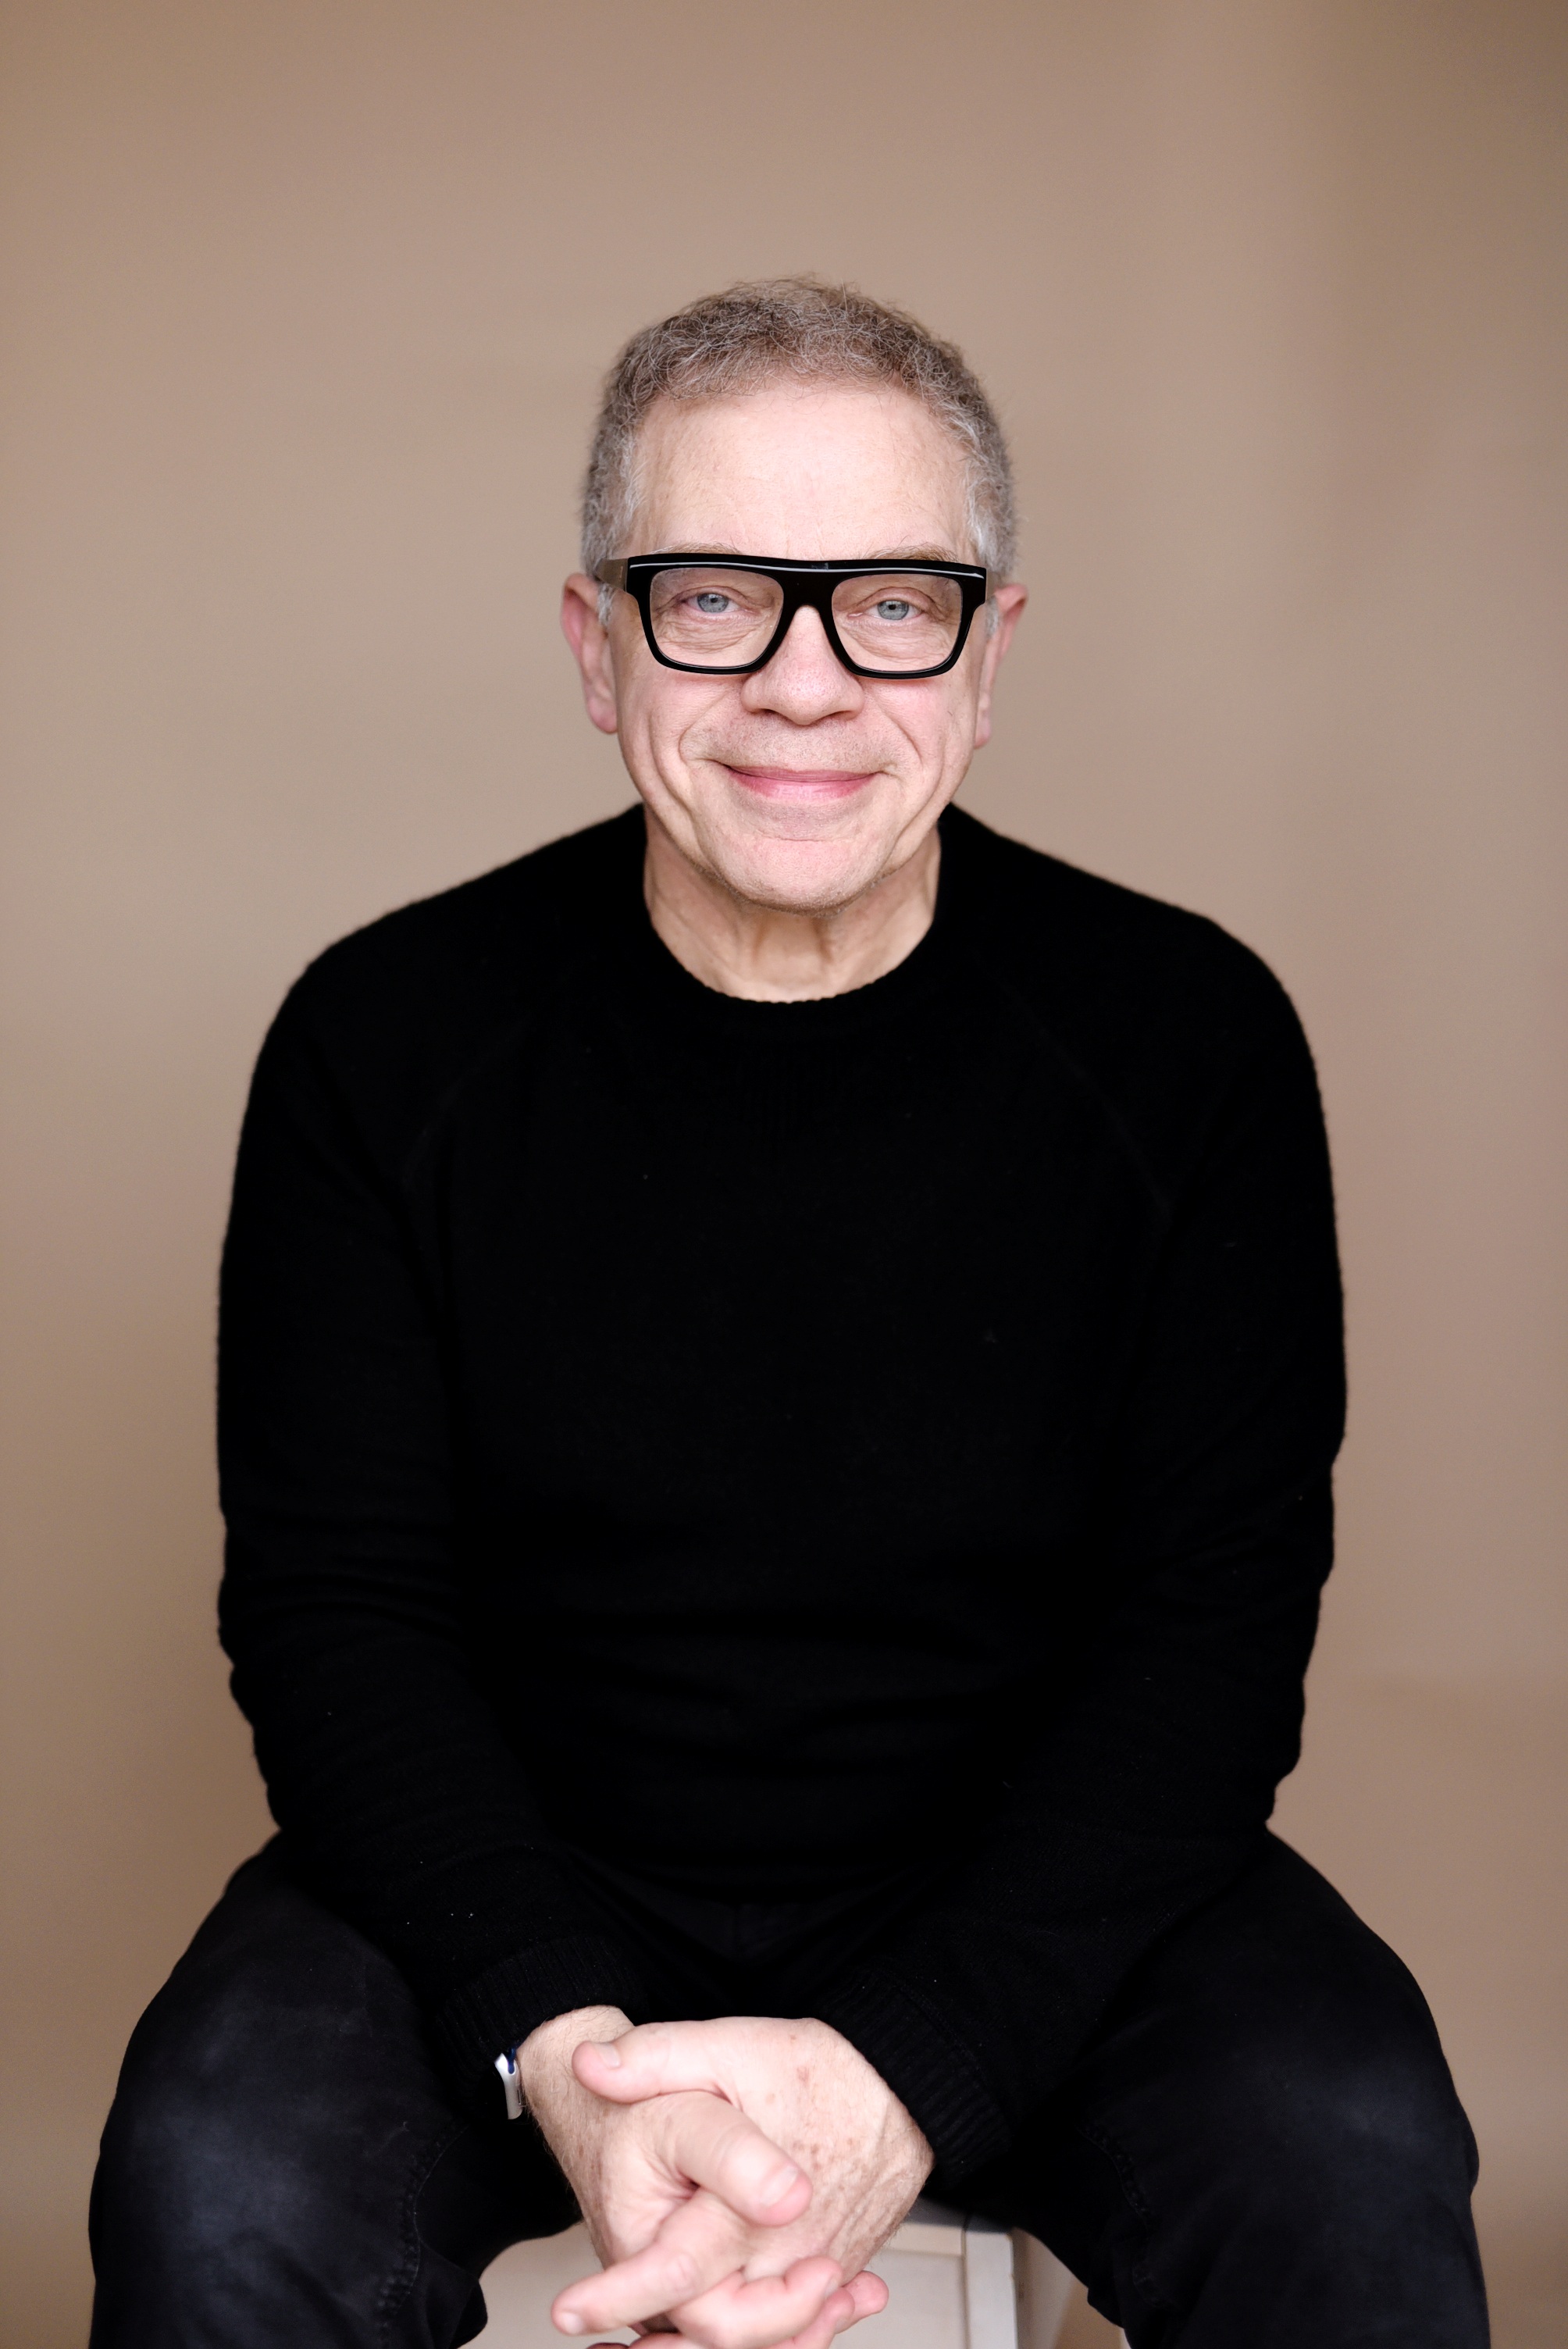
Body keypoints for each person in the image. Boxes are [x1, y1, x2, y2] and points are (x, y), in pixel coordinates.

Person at [87, 280, 1488, 2349]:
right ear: (599, 647)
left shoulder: (1189, 1044)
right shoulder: (381, 1042)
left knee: (1346, 2147)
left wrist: (917, 2065)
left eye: (895, 603)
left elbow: (1211, 1637)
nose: (804, 682)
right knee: (216, 2179)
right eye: (717, 598)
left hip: (1030, 1883)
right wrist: (565, 2048)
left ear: (989, 657)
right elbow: (335, 1614)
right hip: (513, 1870)